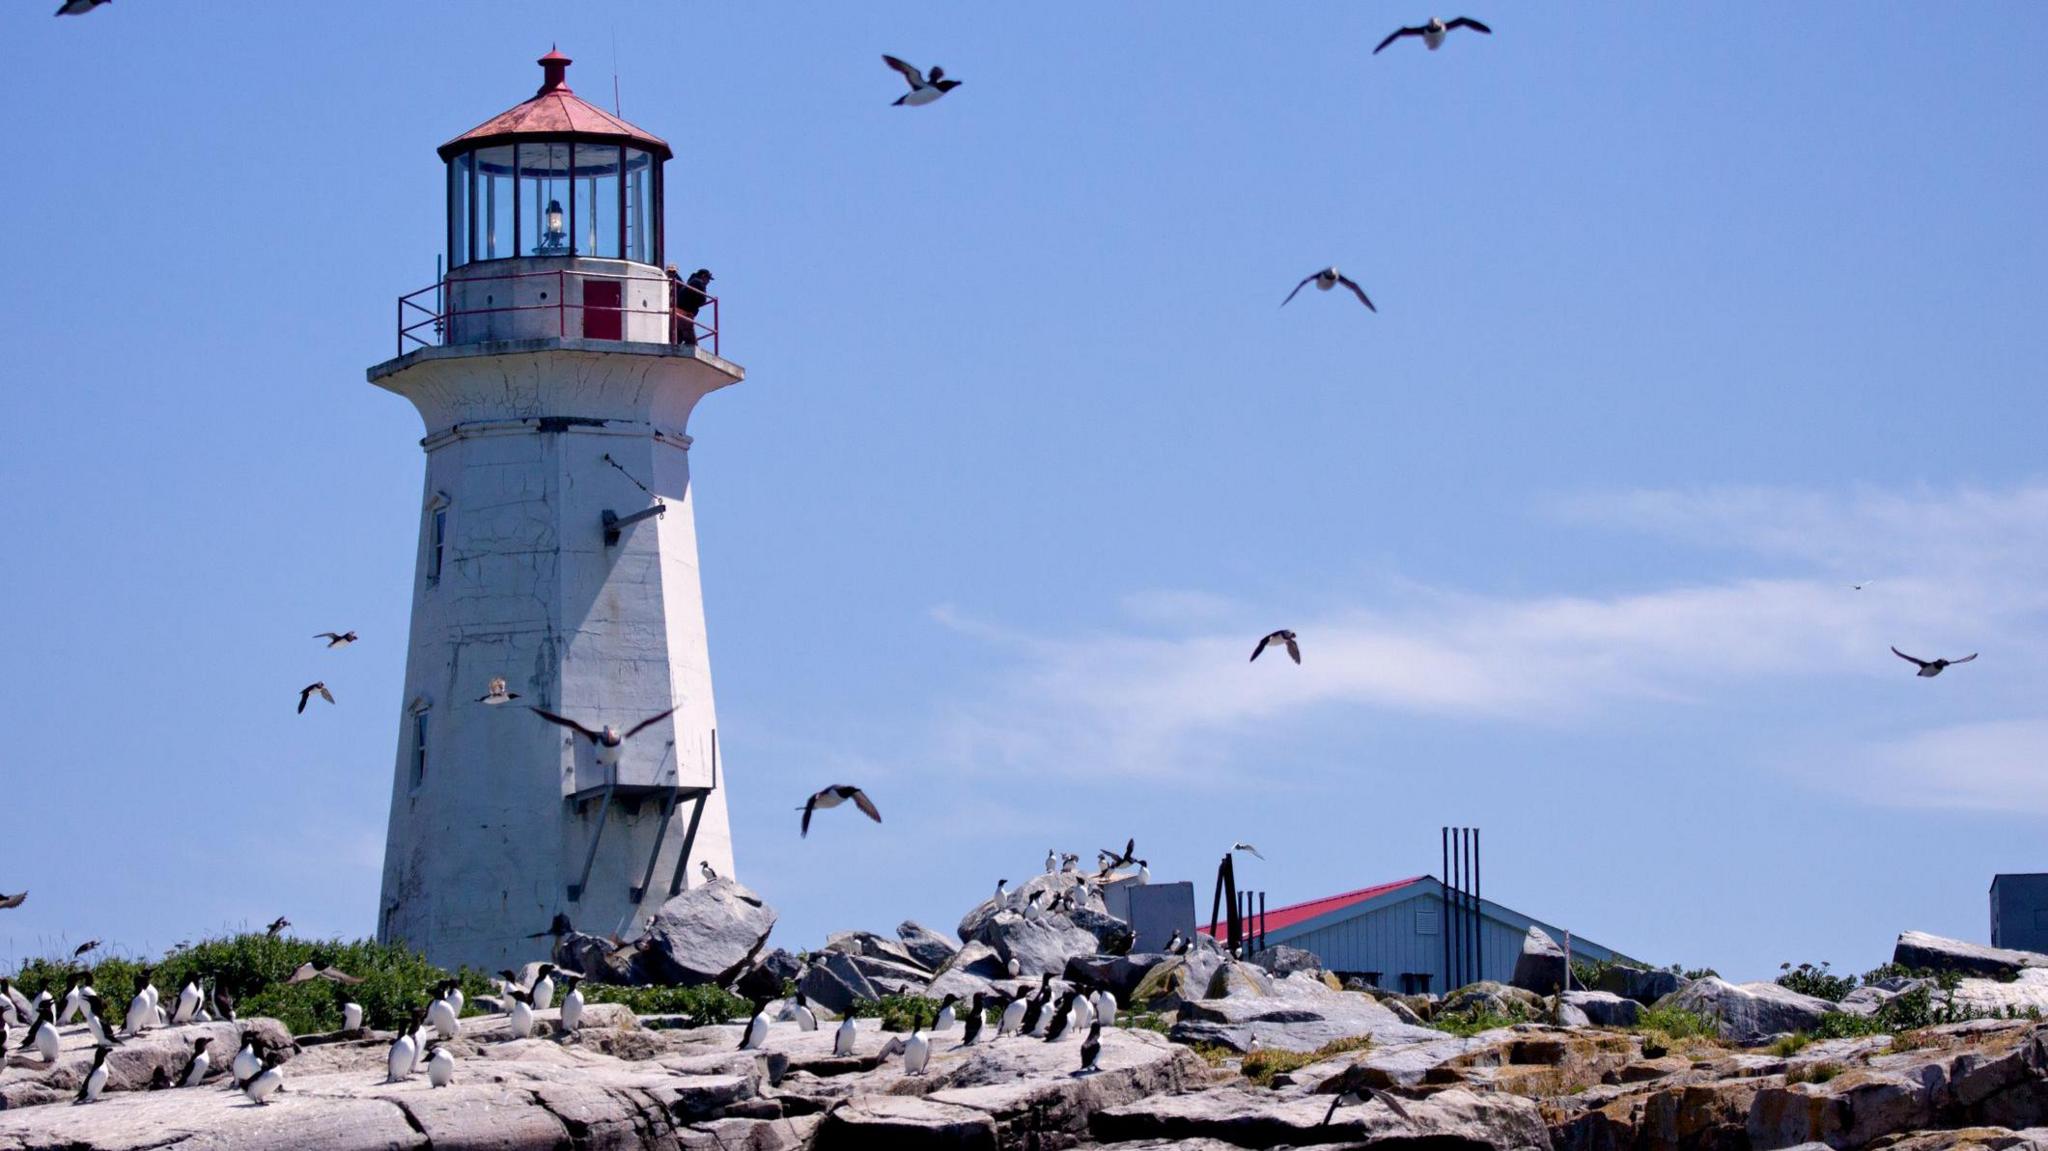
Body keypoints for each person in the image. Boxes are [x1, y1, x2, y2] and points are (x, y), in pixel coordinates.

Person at [671, 266, 713, 346]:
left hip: (677, 312)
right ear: (703, 276)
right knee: (692, 344)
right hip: (685, 314)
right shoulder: (699, 282)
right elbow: (703, 300)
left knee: (677, 338)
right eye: (708, 279)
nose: (708, 282)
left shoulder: (691, 281)